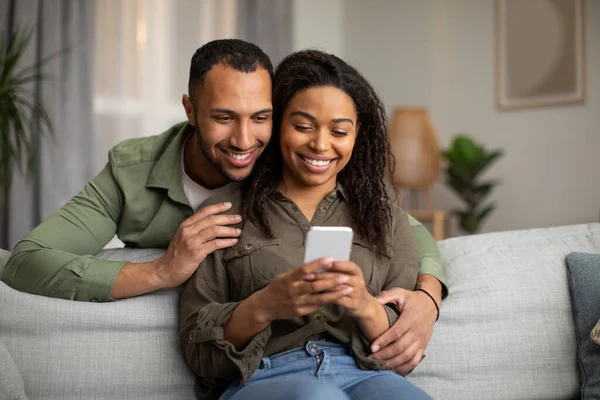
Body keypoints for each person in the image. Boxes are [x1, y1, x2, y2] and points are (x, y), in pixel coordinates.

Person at [2, 39, 446, 374]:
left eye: (260, 117)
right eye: (222, 117)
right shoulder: (131, 173)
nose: (243, 141)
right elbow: (25, 262)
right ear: (190, 111)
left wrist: (426, 299)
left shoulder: (285, 164)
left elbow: (407, 232)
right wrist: (161, 271)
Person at [179, 49, 436, 400]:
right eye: (302, 126)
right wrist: (265, 305)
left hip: (360, 373)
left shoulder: (386, 219)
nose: (320, 144)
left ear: (357, 133)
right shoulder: (222, 214)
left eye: (339, 131)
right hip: (262, 378)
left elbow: (401, 343)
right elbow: (198, 351)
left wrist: (363, 304)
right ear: (278, 122)